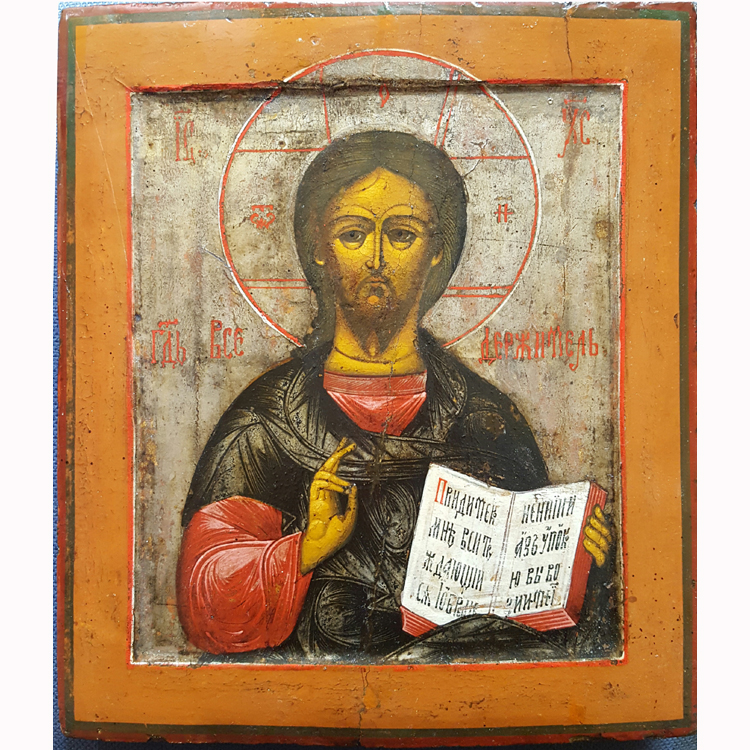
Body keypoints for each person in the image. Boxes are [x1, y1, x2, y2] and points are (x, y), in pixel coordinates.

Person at [176, 131, 615, 662]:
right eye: (353, 234)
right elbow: (205, 602)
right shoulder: (265, 422)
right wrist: (308, 547)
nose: (377, 258)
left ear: (437, 250)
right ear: (318, 249)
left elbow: (543, 616)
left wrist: (585, 565)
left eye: (402, 234)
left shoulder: (485, 419)